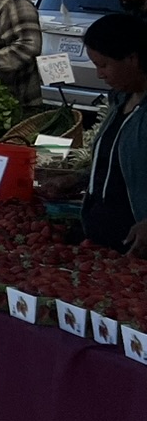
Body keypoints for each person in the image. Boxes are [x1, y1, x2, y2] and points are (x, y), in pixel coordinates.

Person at [68, 13, 147, 252]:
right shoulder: (121, 101)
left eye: (104, 65)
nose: (100, 74)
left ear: (132, 58)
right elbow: (115, 162)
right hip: (105, 241)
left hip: (137, 246)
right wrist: (80, 178)